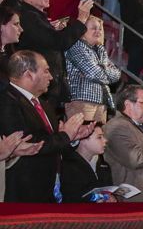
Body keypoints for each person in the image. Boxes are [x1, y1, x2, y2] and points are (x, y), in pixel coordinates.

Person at [0, 50, 89, 202]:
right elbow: (30, 144)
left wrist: (72, 136)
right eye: (46, 71)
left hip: (47, 189)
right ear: (29, 74)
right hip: (23, 192)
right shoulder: (7, 101)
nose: (51, 77)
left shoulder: (43, 104)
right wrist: (65, 135)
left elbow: (53, 141)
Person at [15, 0, 92, 103]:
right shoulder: (29, 17)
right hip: (39, 84)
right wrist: (81, 19)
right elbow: (59, 42)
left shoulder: (35, 16)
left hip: (48, 84)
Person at [64, 16, 122, 123]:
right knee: (81, 136)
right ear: (82, 30)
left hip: (101, 102)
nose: (98, 32)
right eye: (94, 28)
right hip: (81, 100)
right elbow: (94, 73)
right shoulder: (75, 46)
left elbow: (117, 74)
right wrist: (105, 71)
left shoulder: (100, 50)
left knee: (97, 137)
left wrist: (101, 69)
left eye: (100, 29)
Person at [59, 125, 113, 202]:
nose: (105, 140)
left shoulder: (104, 165)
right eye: (99, 137)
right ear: (82, 140)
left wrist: (111, 198)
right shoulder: (68, 166)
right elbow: (70, 198)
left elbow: (108, 190)